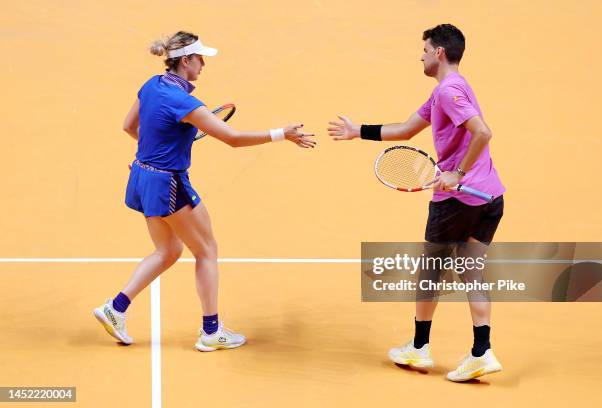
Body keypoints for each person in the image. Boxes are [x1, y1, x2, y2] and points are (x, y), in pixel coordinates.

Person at [94, 31, 315, 352]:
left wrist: (154, 150)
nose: (203, 65)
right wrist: (282, 134)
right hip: (168, 183)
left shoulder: (151, 85)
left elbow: (130, 127)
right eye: (200, 59)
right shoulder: (184, 102)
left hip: (142, 176)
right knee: (207, 250)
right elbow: (233, 139)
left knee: (167, 252)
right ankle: (211, 331)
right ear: (186, 61)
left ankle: (115, 309)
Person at [328, 24, 505, 381]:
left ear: (439, 52)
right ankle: (481, 352)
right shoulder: (448, 89)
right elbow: (407, 129)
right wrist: (358, 131)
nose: (420, 55)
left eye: (424, 49)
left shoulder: (449, 90)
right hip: (490, 197)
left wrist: (456, 172)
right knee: (472, 271)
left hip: (457, 199)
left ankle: (419, 348)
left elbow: (483, 132)